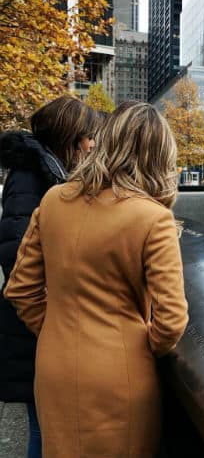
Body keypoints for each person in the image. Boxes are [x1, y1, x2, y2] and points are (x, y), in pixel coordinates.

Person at [3, 102, 189, 457]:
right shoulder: (154, 218)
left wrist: (55, 329)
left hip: (53, 366)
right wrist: (135, 348)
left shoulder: (54, 200)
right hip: (119, 376)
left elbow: (21, 289)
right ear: (159, 155)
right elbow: (171, 321)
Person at [0, 95, 101, 458]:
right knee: (47, 432)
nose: (92, 145)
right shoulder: (31, 177)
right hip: (33, 333)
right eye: (88, 137)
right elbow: (16, 256)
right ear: (70, 136)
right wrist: (50, 322)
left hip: (38, 329)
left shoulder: (45, 171)